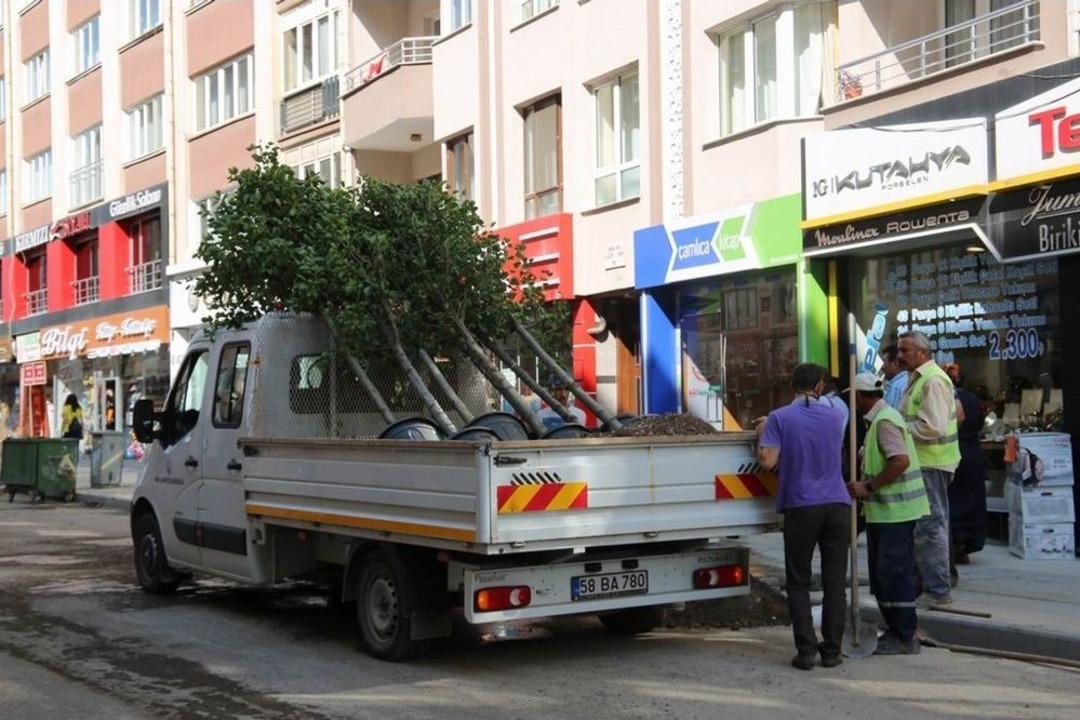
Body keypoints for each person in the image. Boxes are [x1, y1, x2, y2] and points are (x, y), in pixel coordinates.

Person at [756, 363, 850, 670]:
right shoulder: (836, 416)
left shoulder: (779, 418)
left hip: (801, 505)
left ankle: (807, 651)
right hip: (837, 504)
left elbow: (768, 462)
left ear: (791, 385)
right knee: (835, 580)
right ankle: (833, 651)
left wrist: (762, 432)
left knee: (799, 580)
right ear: (821, 386)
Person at [848, 373, 930, 655]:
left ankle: (904, 635)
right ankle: (899, 630)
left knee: (894, 575)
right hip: (887, 512)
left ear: (860, 396)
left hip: (895, 511)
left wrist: (868, 486)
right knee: (889, 574)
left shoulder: (884, 422)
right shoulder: (881, 420)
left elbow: (900, 461)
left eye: (853, 397)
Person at [897, 331, 961, 607]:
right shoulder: (921, 378)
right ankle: (936, 583)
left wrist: (897, 430)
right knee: (933, 526)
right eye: (899, 350)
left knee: (930, 527)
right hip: (927, 462)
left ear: (923, 353)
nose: (900, 356)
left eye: (906, 351)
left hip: (931, 462)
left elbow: (932, 426)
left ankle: (938, 591)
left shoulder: (932, 380)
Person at [942, 365, 987, 578]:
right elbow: (979, 423)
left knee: (952, 500)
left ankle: (954, 544)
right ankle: (967, 544)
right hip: (972, 452)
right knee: (972, 499)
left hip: (952, 452)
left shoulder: (943, 398)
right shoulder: (974, 399)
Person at [880, 344, 909, 410]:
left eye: (884, 362)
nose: (882, 367)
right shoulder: (907, 381)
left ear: (895, 363)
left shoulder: (896, 387)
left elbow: (889, 418)